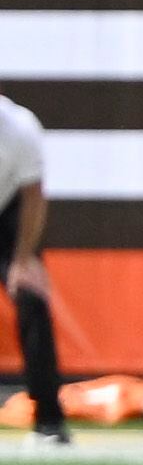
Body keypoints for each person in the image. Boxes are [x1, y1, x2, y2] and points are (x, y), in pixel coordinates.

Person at [0, 85, 57, 444]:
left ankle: (50, 421)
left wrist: (22, 260)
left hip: (8, 213)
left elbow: (34, 195)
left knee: (32, 297)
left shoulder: (20, 128)